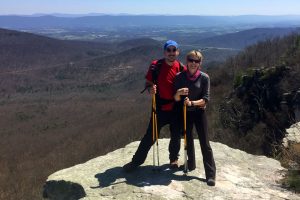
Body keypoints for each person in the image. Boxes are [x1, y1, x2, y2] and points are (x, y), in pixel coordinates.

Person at [123, 40, 184, 172]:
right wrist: (150, 88)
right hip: (159, 108)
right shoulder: (156, 66)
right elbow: (148, 83)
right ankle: (136, 161)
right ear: (164, 52)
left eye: (174, 50)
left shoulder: (181, 68)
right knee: (150, 136)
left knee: (176, 136)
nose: (171, 53)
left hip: (175, 108)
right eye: (169, 50)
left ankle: (174, 159)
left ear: (178, 52)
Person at [174, 50, 216, 186]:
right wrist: (178, 93)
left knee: (205, 143)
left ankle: (210, 174)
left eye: (196, 61)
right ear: (186, 61)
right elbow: (175, 98)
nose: (193, 63)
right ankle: (190, 164)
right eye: (191, 60)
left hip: (198, 113)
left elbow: (206, 100)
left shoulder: (204, 78)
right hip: (185, 112)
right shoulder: (179, 77)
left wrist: (192, 103)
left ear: (200, 63)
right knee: (188, 140)